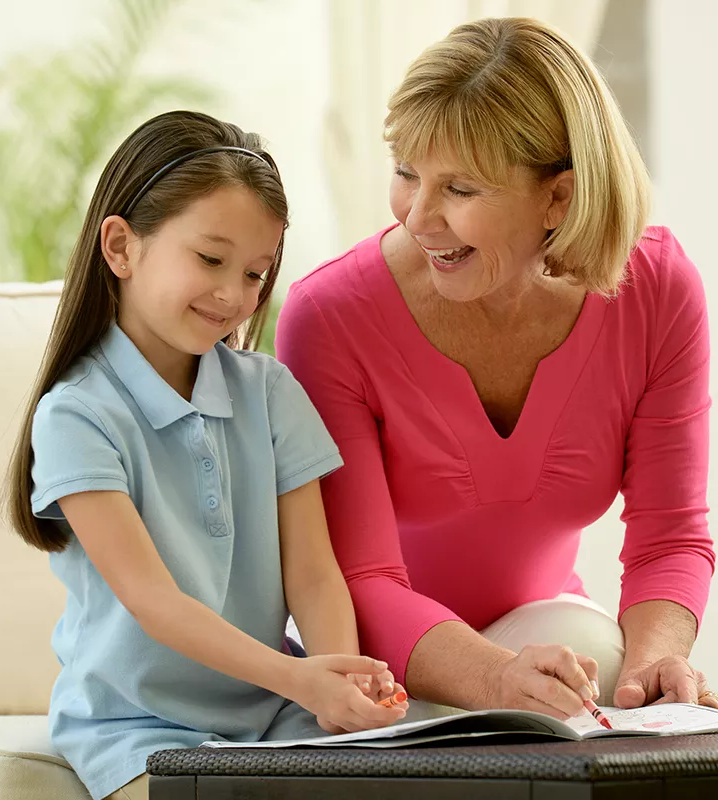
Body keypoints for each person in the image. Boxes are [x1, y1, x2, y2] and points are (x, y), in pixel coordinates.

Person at [276, 17, 717, 724]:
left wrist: (651, 670)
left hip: (545, 642)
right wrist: (496, 681)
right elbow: (359, 579)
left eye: (461, 189)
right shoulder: (329, 317)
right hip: (378, 664)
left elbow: (670, 534)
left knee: (592, 655)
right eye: (407, 173)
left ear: (559, 198)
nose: (419, 218)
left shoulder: (657, 293)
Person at [4, 110, 407, 800]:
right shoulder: (77, 415)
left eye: (255, 273)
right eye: (210, 259)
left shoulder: (271, 392)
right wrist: (300, 678)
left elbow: (312, 573)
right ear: (121, 246)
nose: (234, 295)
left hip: (275, 715)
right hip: (135, 729)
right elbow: (154, 602)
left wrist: (337, 679)